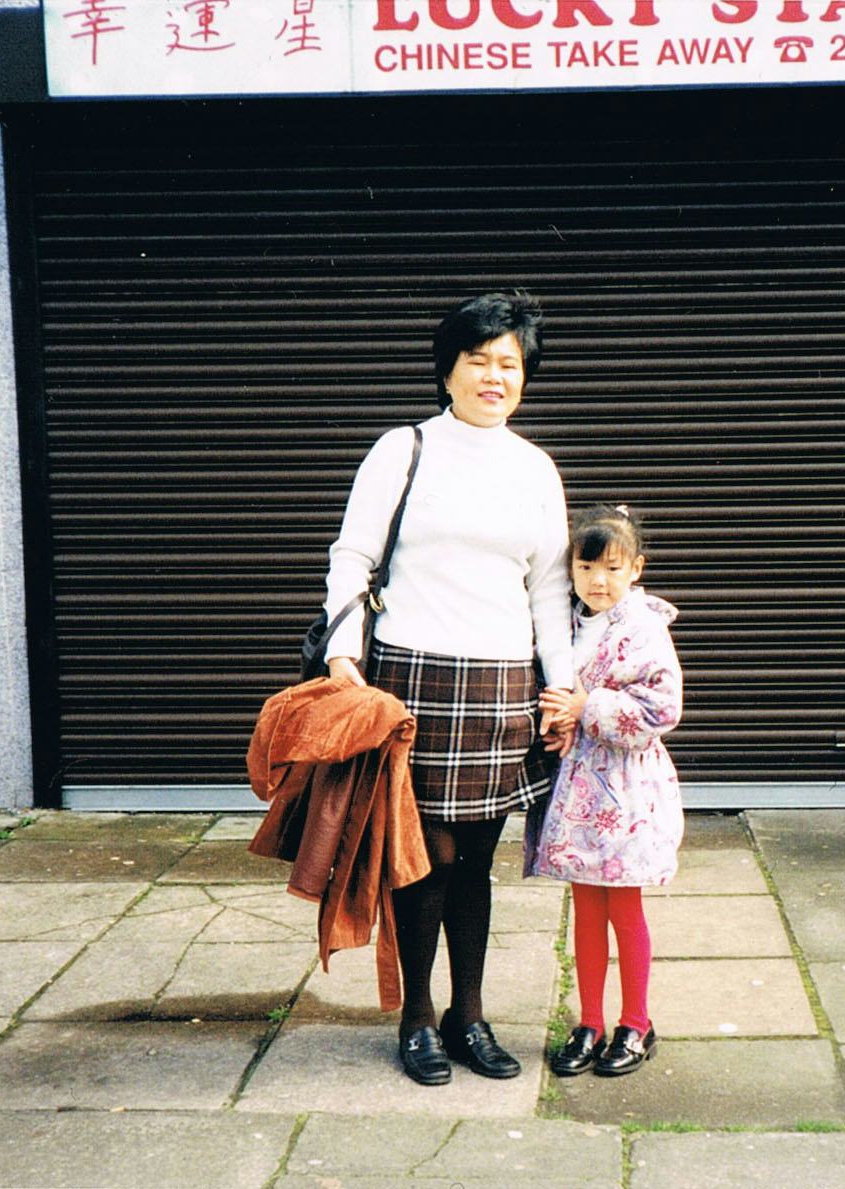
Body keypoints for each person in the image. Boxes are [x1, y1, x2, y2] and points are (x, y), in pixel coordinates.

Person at [322, 291, 574, 1086]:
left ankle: (470, 1015)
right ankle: (417, 1017)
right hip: (412, 677)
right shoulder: (404, 449)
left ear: (525, 376)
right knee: (423, 856)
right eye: (480, 360)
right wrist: (343, 658)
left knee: (475, 863)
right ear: (449, 369)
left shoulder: (536, 468)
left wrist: (560, 688)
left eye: (510, 363)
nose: (494, 376)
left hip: (501, 684)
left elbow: (549, 592)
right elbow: (353, 557)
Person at [530, 505, 684, 1078]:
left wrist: (587, 707)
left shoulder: (643, 627)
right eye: (587, 565)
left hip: (626, 791)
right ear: (569, 570)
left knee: (624, 904)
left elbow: (663, 707)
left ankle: (637, 1023)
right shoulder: (566, 622)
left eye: (613, 568)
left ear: (636, 570)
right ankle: (589, 1021)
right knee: (586, 907)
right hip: (578, 792)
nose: (599, 580)